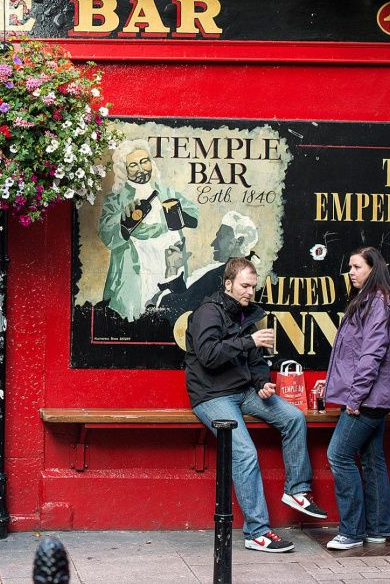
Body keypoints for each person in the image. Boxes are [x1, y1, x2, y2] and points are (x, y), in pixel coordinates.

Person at [185, 257, 327, 553]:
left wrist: (263, 383)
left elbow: (256, 362)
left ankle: (297, 491)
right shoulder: (207, 313)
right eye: (244, 285)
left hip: (245, 391)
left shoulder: (244, 315)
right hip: (212, 396)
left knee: (293, 417)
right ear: (228, 284)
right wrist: (250, 341)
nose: (250, 292)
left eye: (253, 286)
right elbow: (209, 356)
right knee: (245, 453)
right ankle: (257, 532)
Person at [317, 247, 390, 550]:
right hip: (374, 397)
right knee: (372, 459)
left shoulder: (376, 303)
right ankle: (378, 529)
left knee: (338, 455)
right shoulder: (371, 300)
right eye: (350, 267)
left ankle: (351, 532)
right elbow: (352, 355)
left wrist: (354, 398)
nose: (351, 272)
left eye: (356, 267)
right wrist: (329, 384)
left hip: (368, 399)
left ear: (373, 268)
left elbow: (371, 356)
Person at [99, 139, 199, 322]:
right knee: (139, 319)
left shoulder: (165, 191)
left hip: (170, 265)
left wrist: (179, 216)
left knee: (171, 315)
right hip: (138, 268)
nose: (141, 169)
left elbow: (193, 214)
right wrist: (124, 223)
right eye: (133, 165)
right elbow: (106, 234)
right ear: (124, 170)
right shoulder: (116, 200)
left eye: (144, 161)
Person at [156, 210, 259, 317]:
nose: (213, 243)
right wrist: (173, 269)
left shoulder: (223, 275)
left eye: (221, 237)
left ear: (239, 241)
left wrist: (171, 269)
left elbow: (182, 310)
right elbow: (190, 302)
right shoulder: (231, 273)